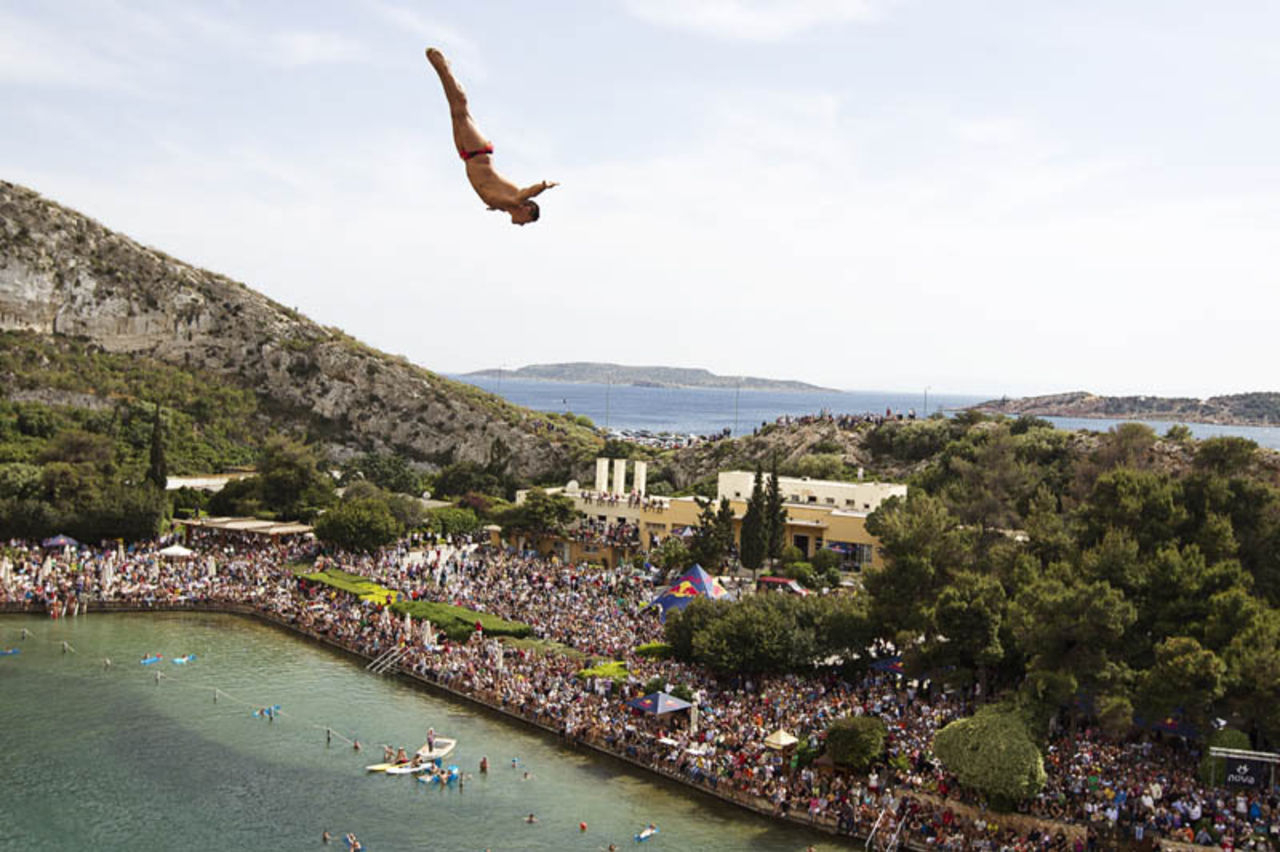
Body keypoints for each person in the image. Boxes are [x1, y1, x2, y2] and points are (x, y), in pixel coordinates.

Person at [425, 47, 557, 226]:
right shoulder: (516, 200)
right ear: (527, 210)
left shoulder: (504, 205)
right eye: (526, 221)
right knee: (460, 110)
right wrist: (543, 186)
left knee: (456, 113)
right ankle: (444, 69)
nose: (521, 224)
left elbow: (494, 195)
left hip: (467, 155)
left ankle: (445, 72)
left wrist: (492, 204)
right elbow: (528, 192)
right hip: (478, 152)